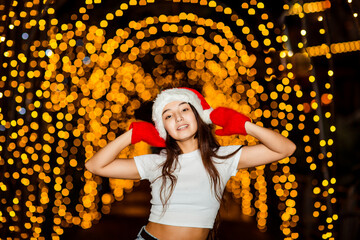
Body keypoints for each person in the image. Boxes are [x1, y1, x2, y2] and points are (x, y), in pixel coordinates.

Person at [85, 87, 296, 240]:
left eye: (184, 110)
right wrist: (132, 135)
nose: (178, 118)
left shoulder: (223, 158)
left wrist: (245, 125)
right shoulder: (157, 163)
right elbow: (95, 166)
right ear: (163, 127)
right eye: (168, 116)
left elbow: (286, 148)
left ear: (199, 116)